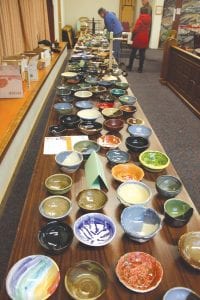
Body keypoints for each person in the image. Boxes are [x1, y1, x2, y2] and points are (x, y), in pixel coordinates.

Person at [127, 7, 151, 73]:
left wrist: (132, 34)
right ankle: (140, 68)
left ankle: (130, 67)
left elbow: (136, 29)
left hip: (138, 38)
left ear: (141, 12)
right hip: (145, 37)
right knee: (142, 54)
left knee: (133, 53)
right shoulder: (149, 19)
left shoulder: (140, 19)